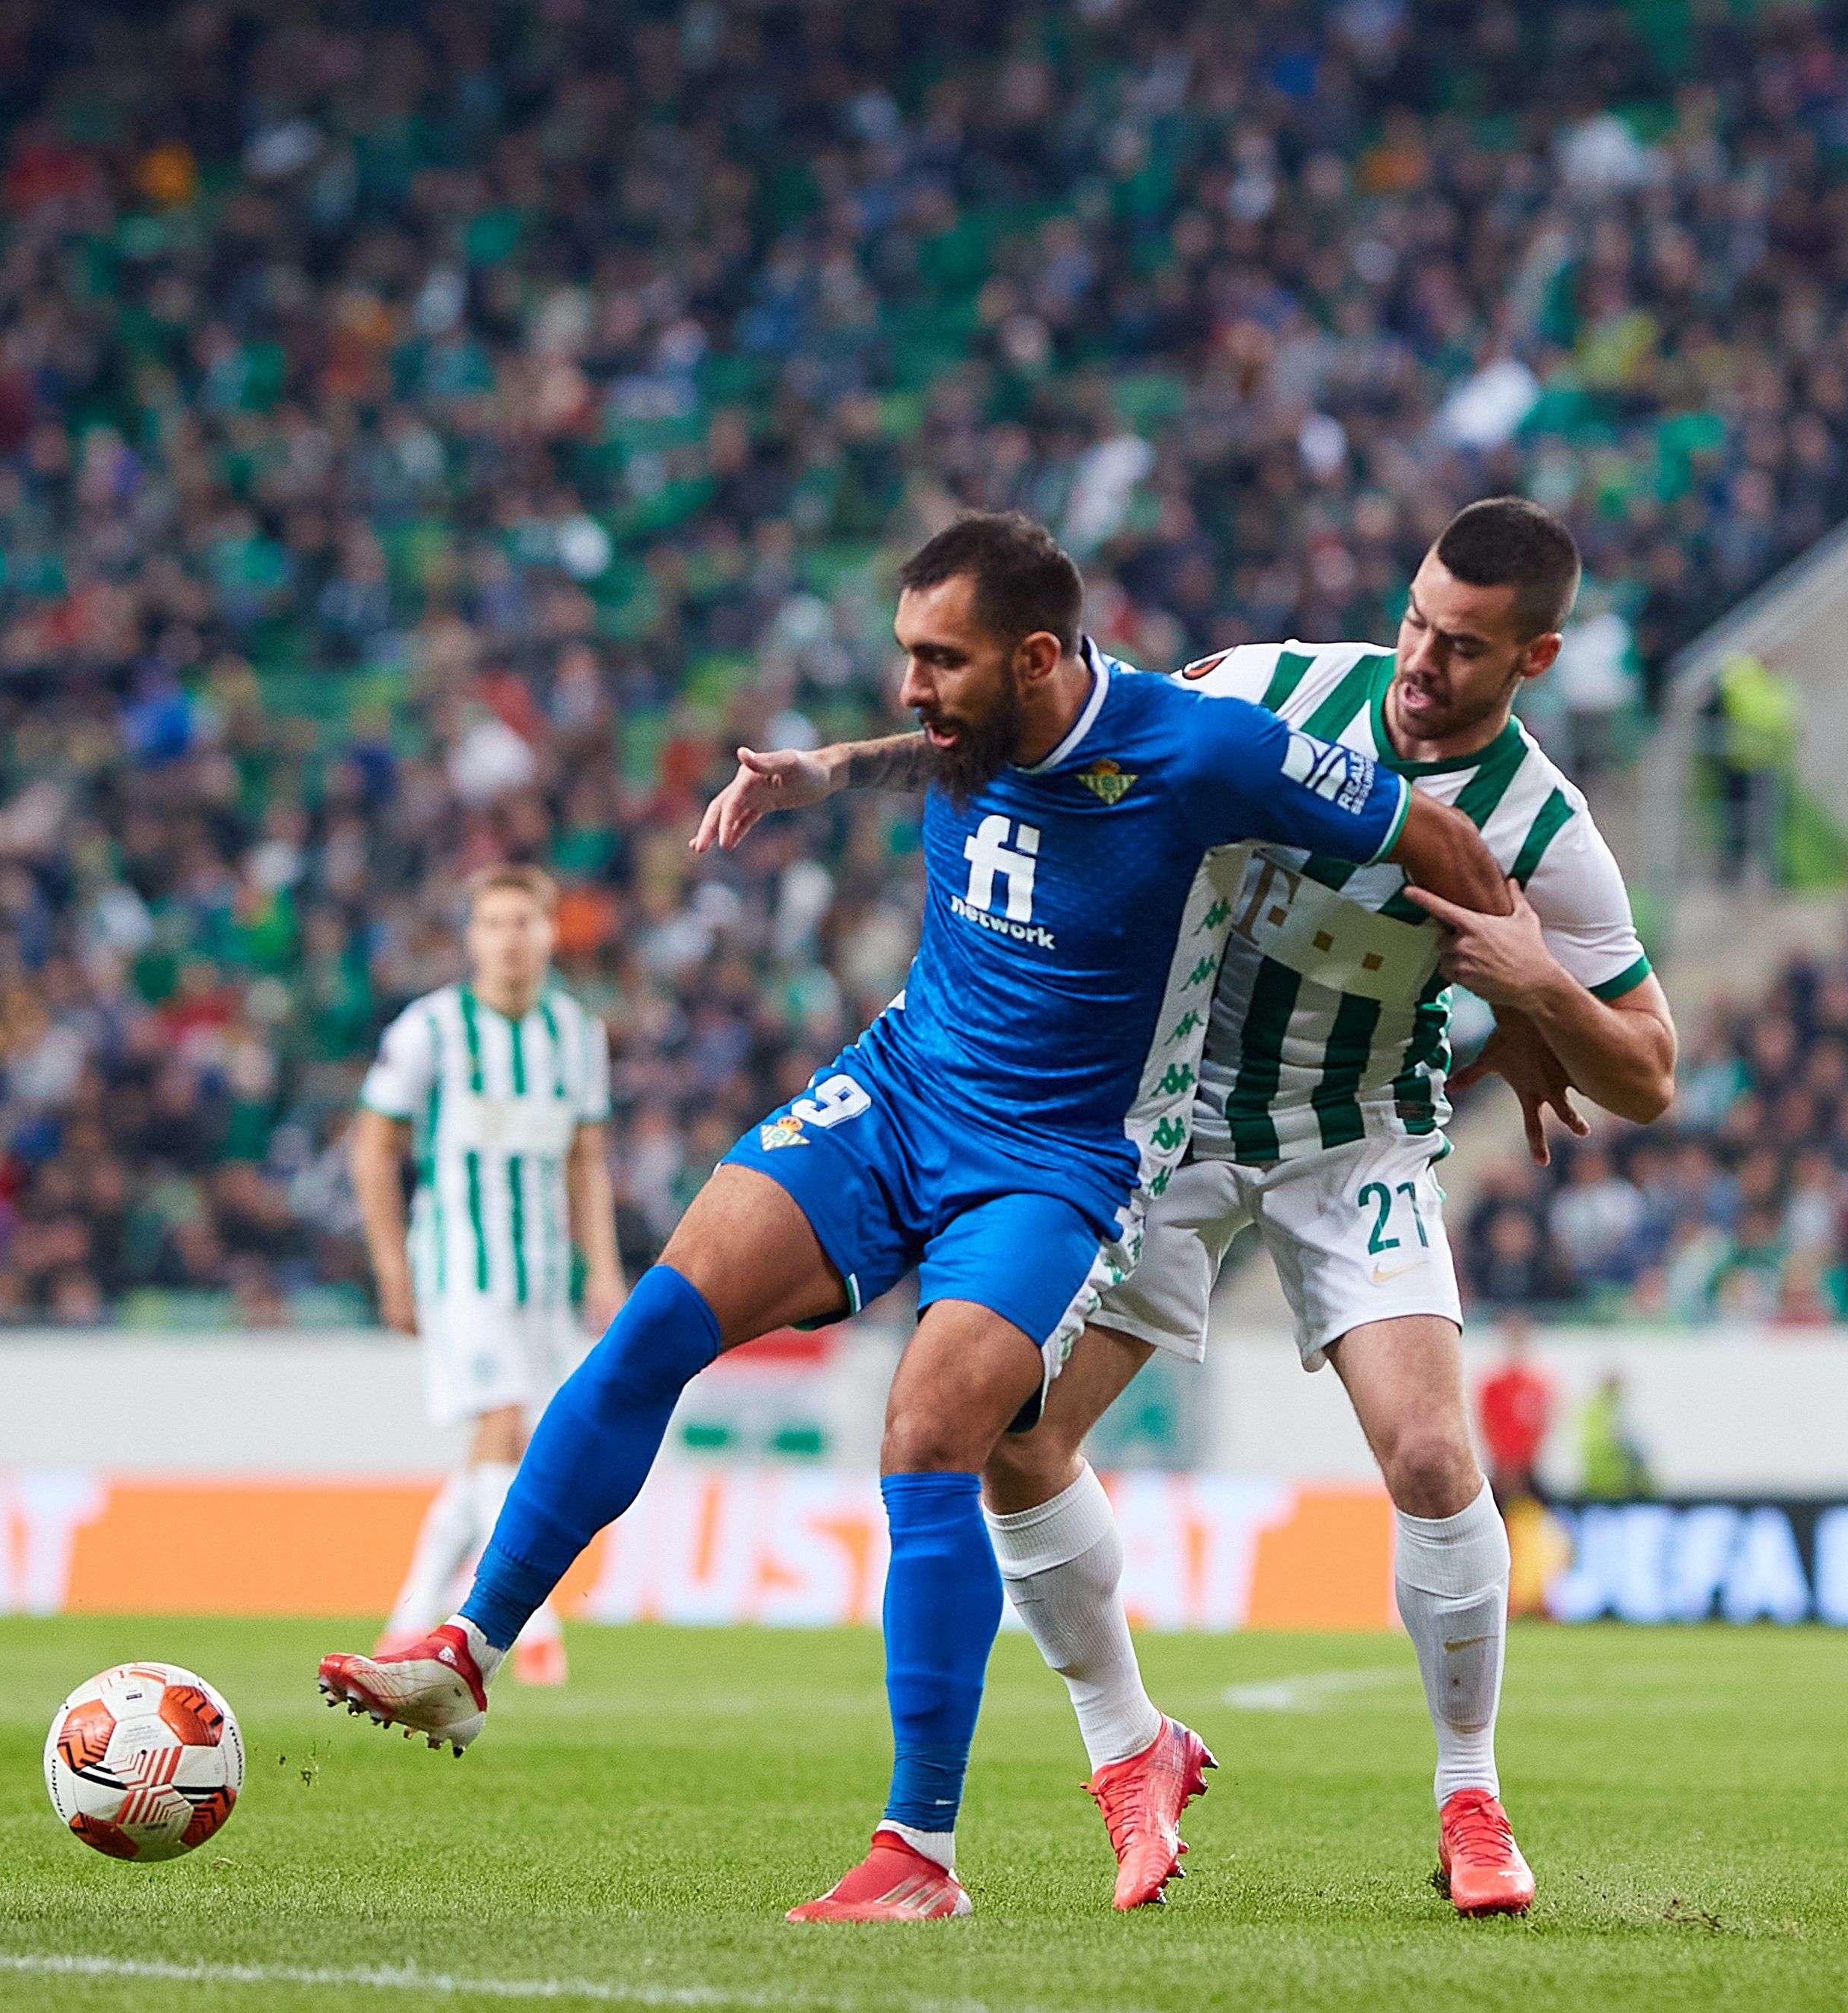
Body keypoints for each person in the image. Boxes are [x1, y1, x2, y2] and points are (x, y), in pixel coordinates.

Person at [315, 512, 1510, 1922]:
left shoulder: (1203, 751)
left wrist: (1536, 1007)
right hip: (897, 1088)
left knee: (931, 1434)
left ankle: (920, 1855)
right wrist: (822, 773)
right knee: (653, 1325)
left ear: (1039, 657)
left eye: (939, 659)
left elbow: (1435, 834)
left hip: (1058, 1161)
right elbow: (928, 748)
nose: (910, 685)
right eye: (906, 654)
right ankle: (469, 1648)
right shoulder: (968, 726)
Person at [704, 497, 1678, 1918]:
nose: (1421, 659)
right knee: (1015, 1438)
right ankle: (1130, 1745)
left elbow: (1648, 1069)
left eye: (1465, 646)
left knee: (1427, 1452)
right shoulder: (1270, 689)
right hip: (1165, 1117)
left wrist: (1541, 994)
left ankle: (1471, 1793)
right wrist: (834, 770)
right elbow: (1058, 731)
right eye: (1416, 620)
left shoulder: (1547, 827)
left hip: (1355, 1137)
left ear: (1536, 659)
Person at [350, 863, 621, 1688]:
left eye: (524, 923)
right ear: (471, 938)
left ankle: (407, 1618)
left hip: (541, 1273)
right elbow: (373, 1145)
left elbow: (586, 1159)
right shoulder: (430, 1029)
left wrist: (602, 1270)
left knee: (503, 1445)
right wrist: (391, 1265)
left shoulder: (575, 1033)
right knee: (503, 1422)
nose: (510, 939)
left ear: (549, 933)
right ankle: (531, 1624)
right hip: (460, 1266)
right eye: (495, 923)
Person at [1711, 651, 1799, 885]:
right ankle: (1733, 878)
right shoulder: (1740, 673)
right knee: (1736, 823)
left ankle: (1772, 880)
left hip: (1770, 764)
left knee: (1769, 828)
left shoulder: (1779, 682)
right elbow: (1756, 713)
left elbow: (1787, 719)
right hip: (1741, 762)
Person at [1477, 1319, 1554, 1506]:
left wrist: (1522, 1462)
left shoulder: (1537, 1385)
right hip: (1501, 1467)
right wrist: (1504, 1462)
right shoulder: (1494, 1385)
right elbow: (1488, 1424)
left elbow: (1540, 1427)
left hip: (1527, 1468)